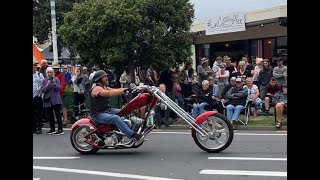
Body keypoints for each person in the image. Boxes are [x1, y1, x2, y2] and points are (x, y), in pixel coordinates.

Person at [90, 70, 143, 141]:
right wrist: (124, 91)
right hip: (98, 114)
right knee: (115, 118)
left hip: (107, 111)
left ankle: (131, 129)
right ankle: (132, 135)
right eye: (104, 77)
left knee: (125, 111)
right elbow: (109, 93)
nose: (107, 78)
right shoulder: (96, 88)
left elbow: (116, 90)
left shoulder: (104, 87)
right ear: (99, 79)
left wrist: (131, 89)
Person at [41, 67, 64, 135]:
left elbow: (58, 88)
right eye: (48, 72)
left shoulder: (56, 79)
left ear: (53, 73)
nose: (50, 74)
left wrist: (54, 84)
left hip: (56, 99)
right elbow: (43, 90)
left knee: (57, 114)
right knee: (50, 115)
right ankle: (52, 129)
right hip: (48, 100)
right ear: (47, 73)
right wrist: (47, 85)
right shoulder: (44, 80)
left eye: (51, 72)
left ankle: (60, 129)